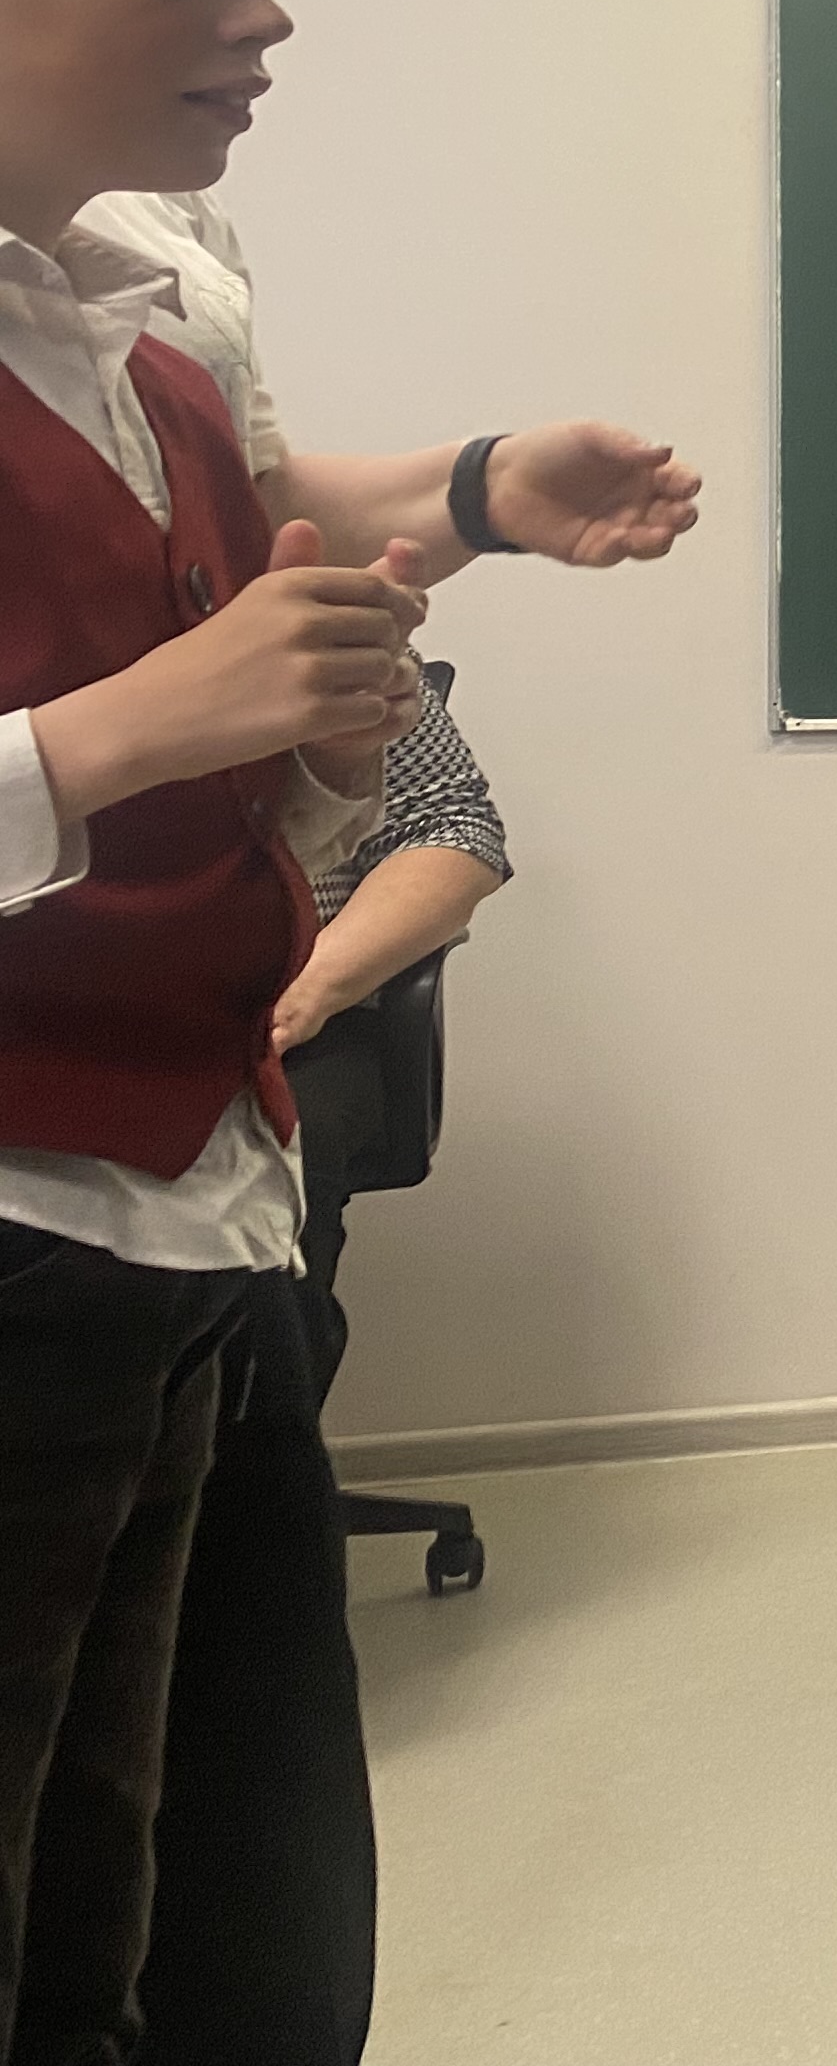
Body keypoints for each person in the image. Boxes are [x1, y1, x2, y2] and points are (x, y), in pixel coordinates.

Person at [0, 0, 428, 2063]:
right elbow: (130, 732)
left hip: (194, 1225)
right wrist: (141, 725)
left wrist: (324, 732)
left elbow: (293, 777)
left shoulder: (157, 336)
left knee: (195, 1927)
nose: (260, 17)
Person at [135, 670, 508, 2066]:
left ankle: (239, 1492)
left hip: (298, 1029)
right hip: (90, 1059)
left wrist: (303, 993)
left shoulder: (317, 633)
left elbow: (459, 834)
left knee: (263, 1295)